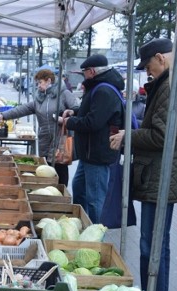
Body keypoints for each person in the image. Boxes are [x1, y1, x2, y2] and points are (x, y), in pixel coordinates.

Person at [109, 38, 177, 291]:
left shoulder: (173, 84)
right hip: (166, 172)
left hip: (162, 173)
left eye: (148, 66)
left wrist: (128, 137)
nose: (148, 72)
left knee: (153, 246)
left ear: (160, 58)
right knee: (158, 244)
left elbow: (161, 136)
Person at [60, 54, 125, 223]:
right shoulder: (99, 88)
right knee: (79, 188)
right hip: (88, 153)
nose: (83, 76)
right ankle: (81, 224)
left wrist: (70, 122)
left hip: (97, 153)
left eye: (84, 72)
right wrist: (75, 111)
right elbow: (91, 111)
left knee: (95, 199)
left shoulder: (104, 90)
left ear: (92, 71)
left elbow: (93, 122)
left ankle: (96, 238)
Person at [0, 69, 77, 185]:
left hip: (59, 139)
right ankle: (48, 193)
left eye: (40, 82)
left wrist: (66, 117)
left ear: (49, 81)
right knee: (44, 169)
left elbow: (77, 110)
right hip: (44, 138)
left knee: (59, 167)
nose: (38, 86)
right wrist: (4, 116)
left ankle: (62, 194)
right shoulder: (40, 98)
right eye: (37, 83)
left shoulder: (64, 94)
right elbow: (24, 109)